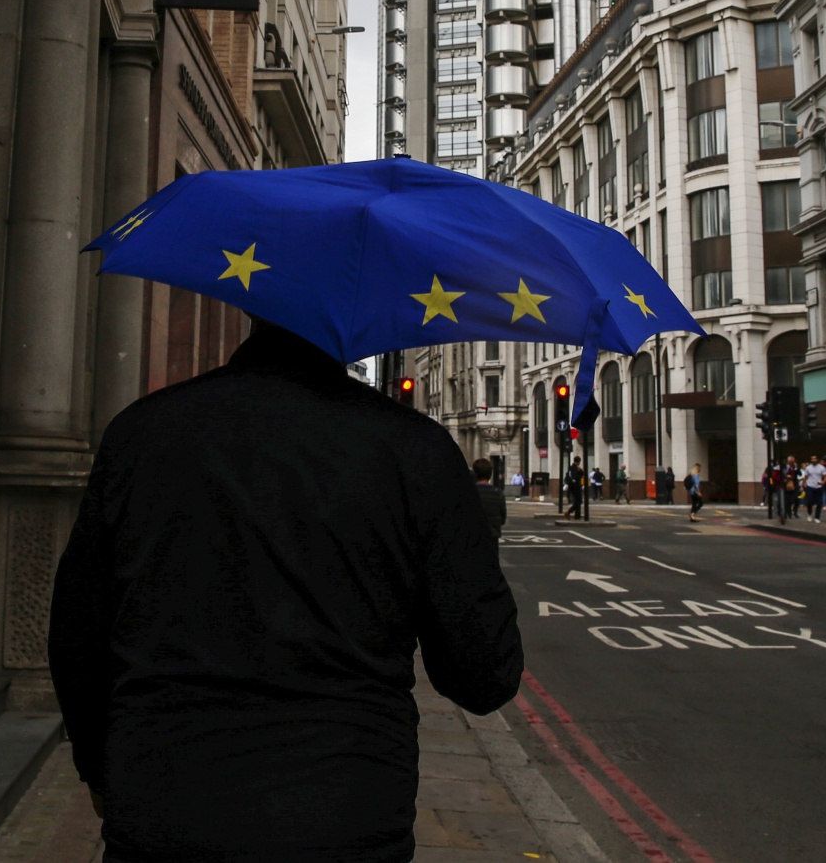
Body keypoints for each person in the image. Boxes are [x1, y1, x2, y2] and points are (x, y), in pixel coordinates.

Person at [49, 321, 523, 863]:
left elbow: (76, 629)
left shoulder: (140, 432)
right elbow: (483, 675)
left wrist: (98, 765)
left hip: (165, 802)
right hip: (345, 812)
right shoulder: (415, 449)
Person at [473, 456, 507, 538]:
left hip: (473, 537)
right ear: (490, 474)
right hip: (492, 536)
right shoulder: (498, 493)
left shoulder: (468, 492)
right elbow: (503, 518)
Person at [801, 455, 826, 523]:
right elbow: (805, 477)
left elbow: (825, 477)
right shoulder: (808, 468)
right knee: (809, 501)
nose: (813, 460)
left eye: (815, 459)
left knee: (819, 503)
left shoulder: (821, 468)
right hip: (810, 486)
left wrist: (823, 482)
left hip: (818, 487)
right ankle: (809, 514)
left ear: (817, 459)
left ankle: (817, 517)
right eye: (812, 459)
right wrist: (802, 486)